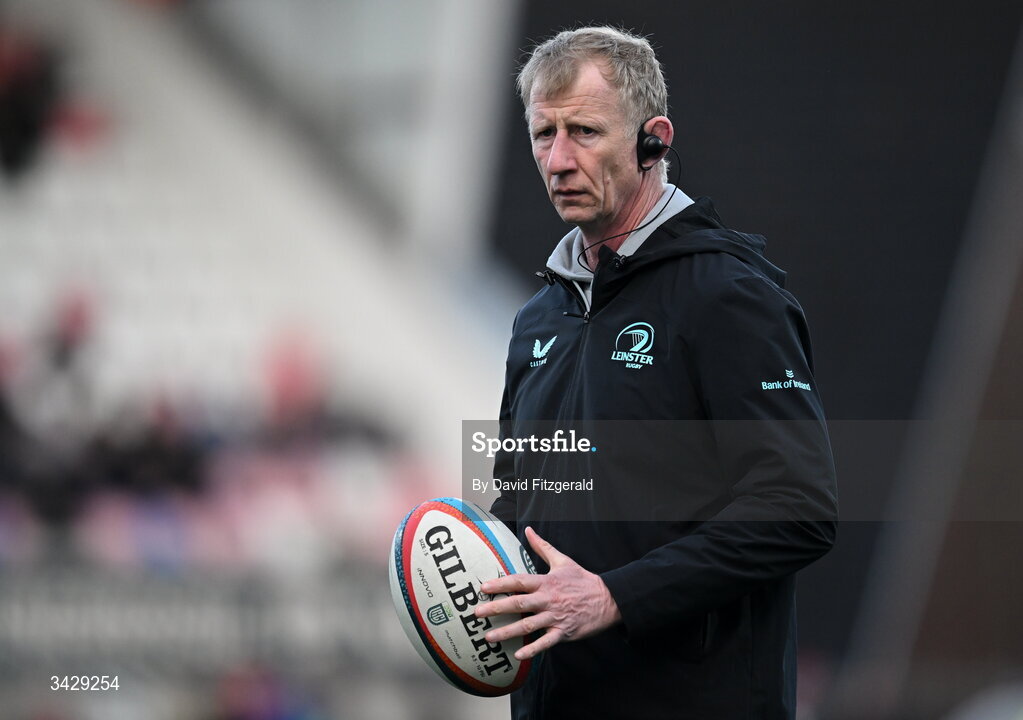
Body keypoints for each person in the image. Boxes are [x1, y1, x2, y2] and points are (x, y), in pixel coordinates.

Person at [474, 26, 839, 719]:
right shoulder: (536, 323)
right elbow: (522, 506)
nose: (557, 160)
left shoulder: (728, 297)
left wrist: (614, 598)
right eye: (541, 134)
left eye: (583, 131)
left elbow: (797, 510)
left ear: (653, 139)